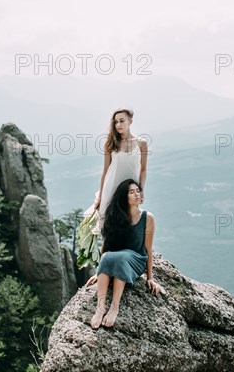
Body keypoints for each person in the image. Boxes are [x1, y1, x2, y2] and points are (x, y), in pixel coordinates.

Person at [85, 179, 162, 329]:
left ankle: (114, 307)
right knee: (108, 256)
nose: (136, 194)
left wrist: (150, 277)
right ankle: (100, 308)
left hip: (136, 259)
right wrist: (101, 270)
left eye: (138, 191)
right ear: (124, 197)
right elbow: (106, 245)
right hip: (118, 257)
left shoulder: (148, 218)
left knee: (120, 258)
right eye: (131, 192)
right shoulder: (115, 216)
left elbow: (148, 249)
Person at [85, 108, 148, 222]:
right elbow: (105, 171)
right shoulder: (110, 143)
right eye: (115, 121)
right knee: (109, 227)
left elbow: (143, 170)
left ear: (130, 121)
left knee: (128, 225)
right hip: (111, 189)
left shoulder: (141, 143)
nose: (118, 124)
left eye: (121, 121)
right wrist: (100, 196)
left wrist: (141, 191)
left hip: (130, 192)